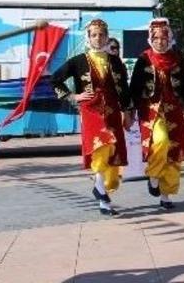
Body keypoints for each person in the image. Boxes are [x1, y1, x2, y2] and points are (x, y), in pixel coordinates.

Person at [51, 19, 132, 216]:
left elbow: (124, 90)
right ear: (88, 37)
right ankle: (100, 190)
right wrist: (73, 96)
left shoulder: (115, 61)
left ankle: (103, 194)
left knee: (112, 153)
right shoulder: (79, 61)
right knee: (102, 145)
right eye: (94, 35)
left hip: (112, 111)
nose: (98, 38)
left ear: (107, 37)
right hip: (91, 111)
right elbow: (55, 79)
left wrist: (128, 112)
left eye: (101, 34)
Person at [129, 18, 184, 209]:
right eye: (156, 38)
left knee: (174, 152)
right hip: (152, 110)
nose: (160, 41)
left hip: (174, 110)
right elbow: (134, 87)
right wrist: (129, 110)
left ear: (169, 39)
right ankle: (154, 176)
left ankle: (166, 196)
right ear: (150, 39)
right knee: (161, 142)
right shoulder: (144, 59)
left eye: (164, 38)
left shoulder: (177, 58)